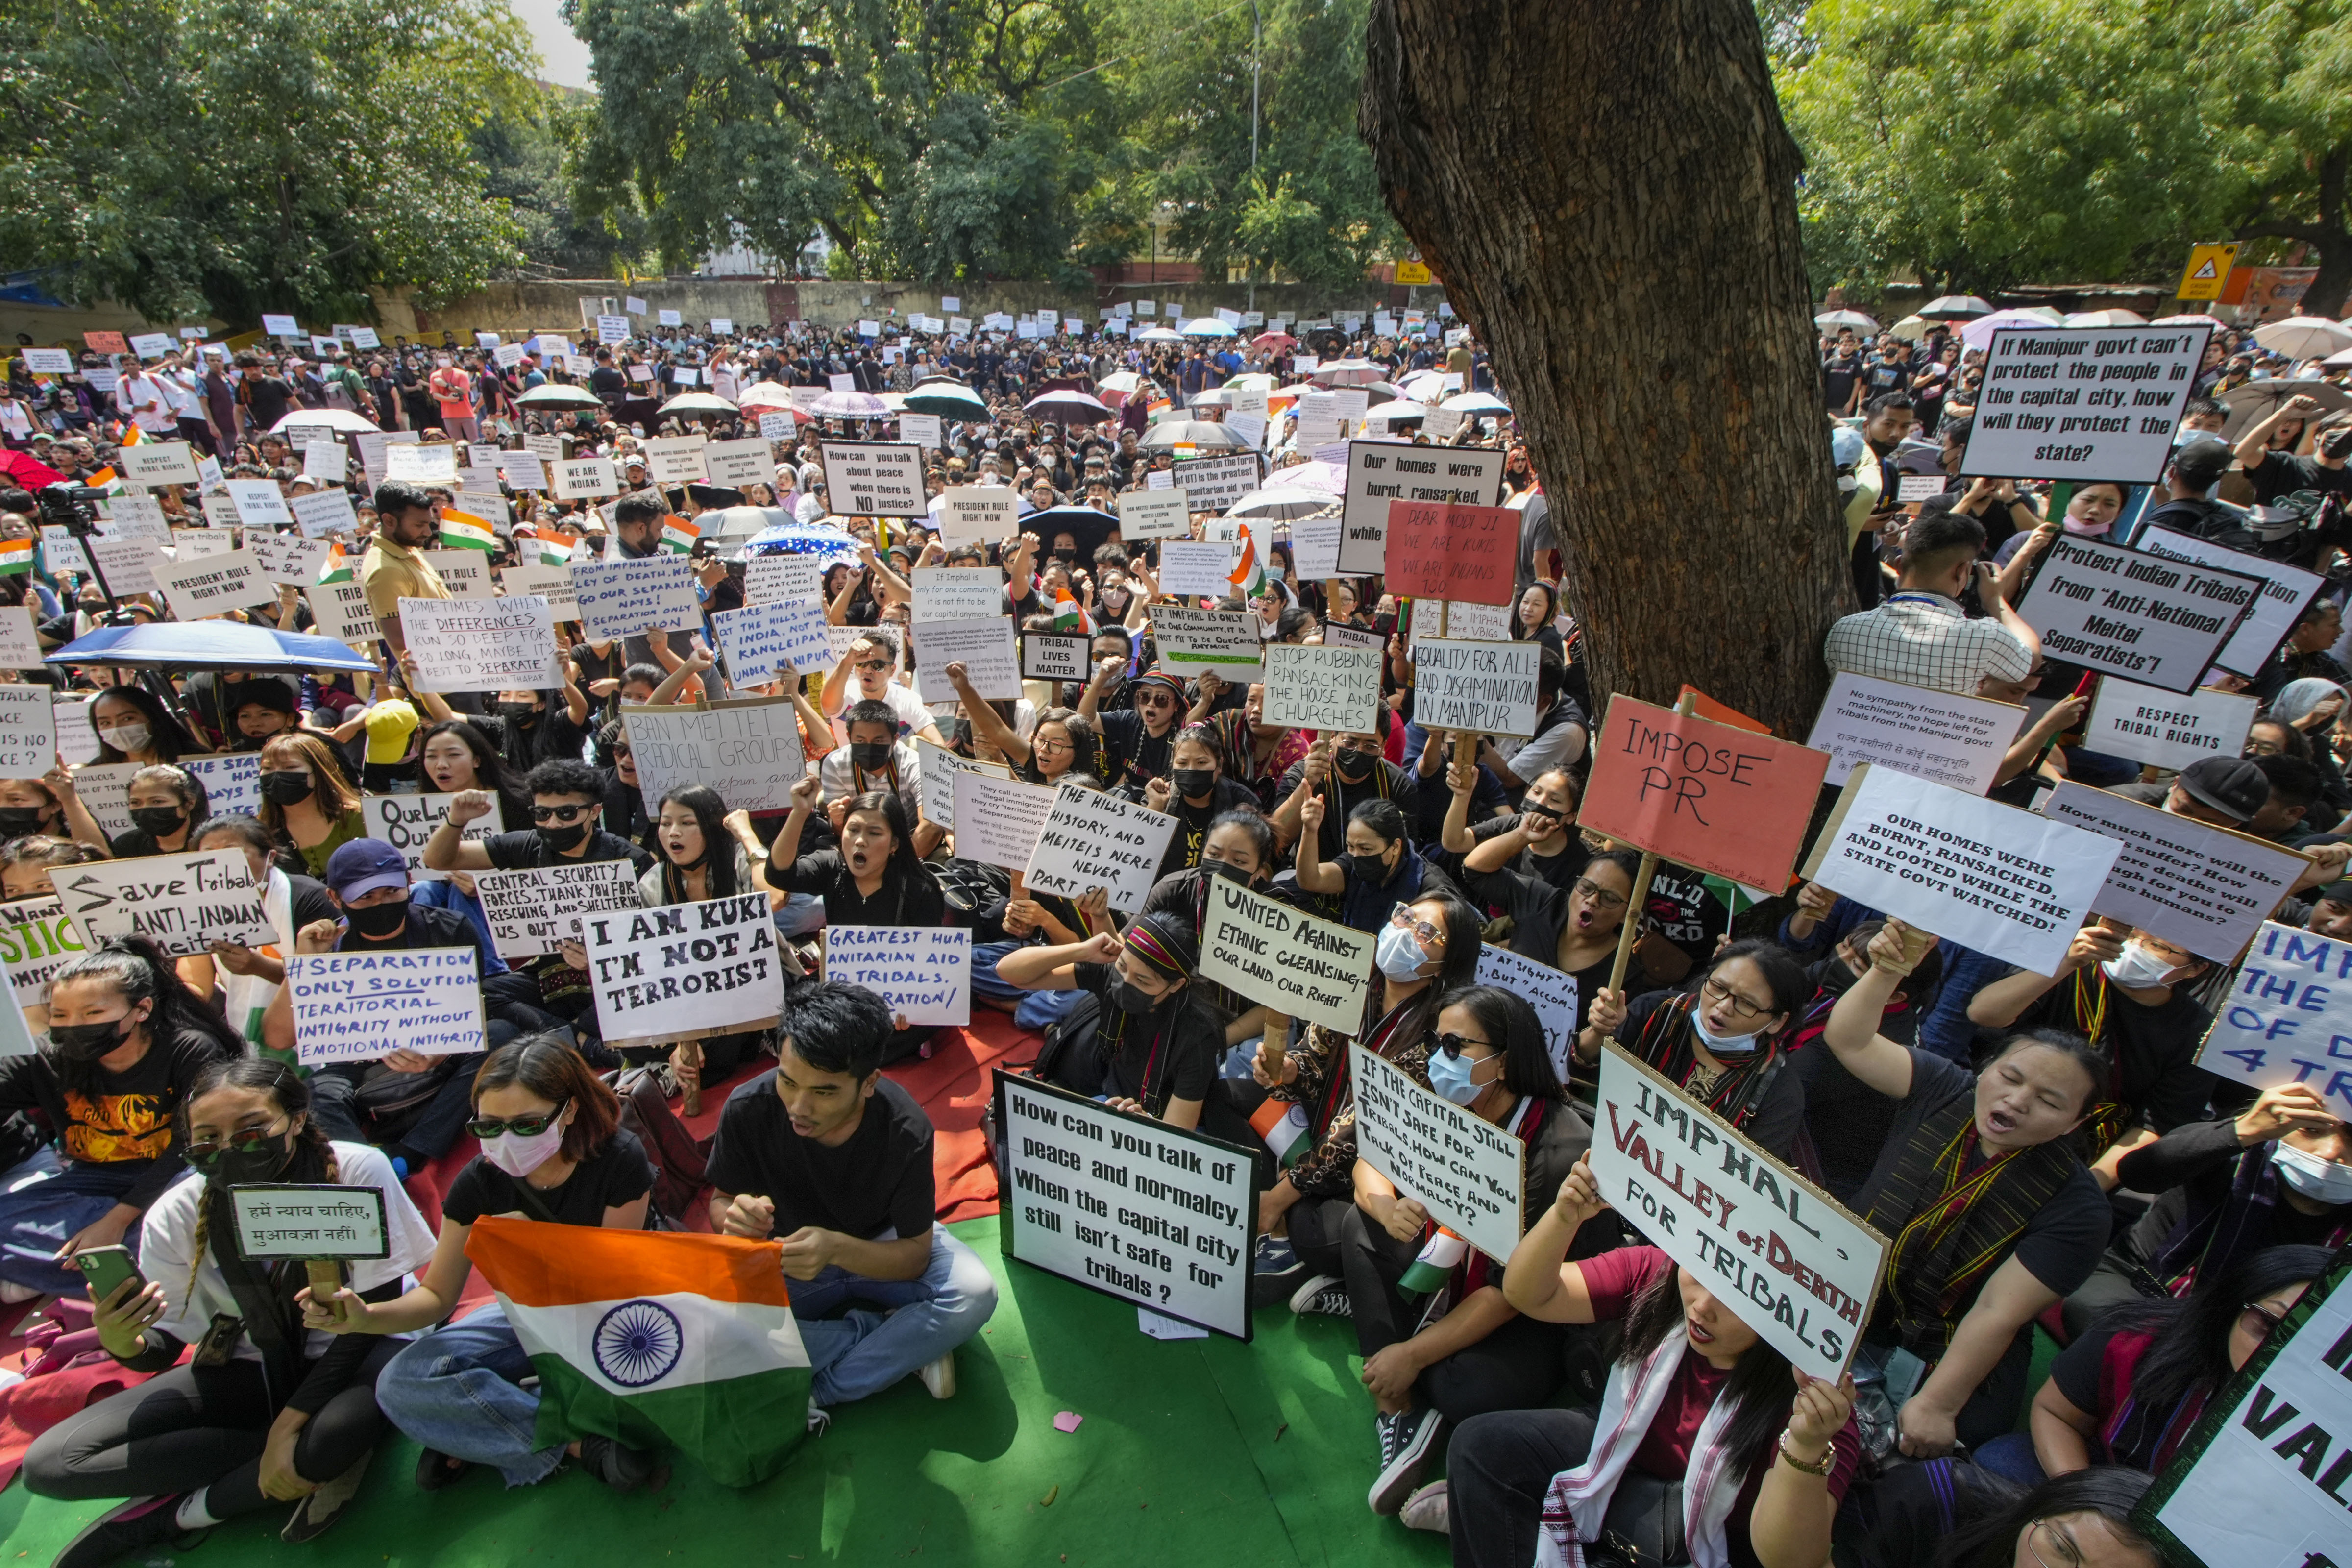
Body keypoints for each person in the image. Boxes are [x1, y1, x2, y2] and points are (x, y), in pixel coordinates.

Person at [24, 1059, 435, 1564]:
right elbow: (165, 1346)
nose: (229, 1147)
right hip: (253, 1360)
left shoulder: (354, 1170)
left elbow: (375, 1312)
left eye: (251, 1129)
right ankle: (285, 1458)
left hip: (365, 1344)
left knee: (331, 1435)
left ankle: (180, 1512)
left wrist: (290, 1425)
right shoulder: (175, 1212)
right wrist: (120, 1337)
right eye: (206, 1138)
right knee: (53, 1462)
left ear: (298, 1119)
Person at [1444, 1155, 1863, 1566]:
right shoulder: (1658, 1273)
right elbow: (1531, 1294)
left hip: (1714, 1542)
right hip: (1616, 1454)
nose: (1702, 1306)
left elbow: (1789, 1559)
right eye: (1701, 1271)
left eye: (1738, 1299)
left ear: (1787, 1315)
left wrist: (1806, 1446)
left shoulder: (1817, 1403)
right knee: (1480, 1449)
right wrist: (1564, 1217)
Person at [304, 1036, 662, 1491]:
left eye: (527, 1125)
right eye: (489, 1128)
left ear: (568, 1112)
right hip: (530, 1313)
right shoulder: (479, 1184)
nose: (506, 1141)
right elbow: (435, 1298)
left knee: (644, 1364)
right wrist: (364, 1318)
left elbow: (613, 1287)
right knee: (401, 1382)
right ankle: (569, 1442)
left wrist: (533, 1246)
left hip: (616, 1309)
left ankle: (487, 1423)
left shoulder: (618, 1158)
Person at [1310, 986, 1604, 1518]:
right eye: (1433, 1040)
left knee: (1461, 1386)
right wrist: (1385, 1208)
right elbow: (1366, 1161)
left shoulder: (1557, 1146)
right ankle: (1395, 1407)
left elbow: (1508, 1291)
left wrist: (1414, 1354)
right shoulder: (1439, 1088)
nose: (1435, 1056)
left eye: (1454, 1043)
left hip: (1534, 1302)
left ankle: (1401, 1346)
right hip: (1447, 1260)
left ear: (1505, 1060)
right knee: (1358, 1223)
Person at [1821, 921, 2112, 1455]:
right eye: (2011, 1077)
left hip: (1949, 1345)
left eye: (2049, 1101)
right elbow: (1851, 1039)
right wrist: (1887, 970)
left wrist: (1939, 1403)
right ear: (1987, 1068)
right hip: (1849, 1288)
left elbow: (1996, 1310)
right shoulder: (1943, 1086)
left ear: (2075, 1123)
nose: (2019, 1101)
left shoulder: (2078, 1206)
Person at [706, 983, 997, 1419]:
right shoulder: (747, 1107)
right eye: (787, 1081)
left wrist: (838, 1249)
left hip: (882, 1244)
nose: (799, 1106)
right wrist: (734, 1218)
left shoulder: (907, 1129)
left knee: (974, 1293)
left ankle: (821, 1390)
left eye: (824, 1092)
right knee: (711, 1331)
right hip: (785, 1258)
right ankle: (898, 1341)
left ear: (869, 1083)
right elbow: (721, 1200)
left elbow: (915, 1256)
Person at [1253, 892, 1487, 1302]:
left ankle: (1323, 1265)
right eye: (1405, 916)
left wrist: (1282, 1194)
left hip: (1372, 1170)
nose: (1406, 932)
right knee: (1233, 1096)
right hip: (1317, 1132)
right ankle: (1284, 1228)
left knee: (1312, 1226)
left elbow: (1364, 1128)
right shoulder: (1355, 984)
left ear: (1448, 963)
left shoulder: (1440, 1032)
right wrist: (1289, 1069)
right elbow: (1314, 1060)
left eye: (1427, 932)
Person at [0, 938, 243, 1301]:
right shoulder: (48, 1055)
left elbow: (193, 1145)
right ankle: (124, 1269)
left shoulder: (190, 1048)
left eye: (92, 1014)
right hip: (93, 1179)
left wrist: (115, 1221)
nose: (73, 1026)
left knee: (201, 1221)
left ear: (141, 1009)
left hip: (179, 1174)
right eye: (60, 1015)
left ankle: (63, 1267)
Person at [259, 838, 519, 1176]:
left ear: (409, 882)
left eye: (392, 892)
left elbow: (469, 1015)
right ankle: (365, 1172)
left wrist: (441, 1050)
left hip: (440, 1054)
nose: (381, 903)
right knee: (318, 1092)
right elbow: (278, 1038)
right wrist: (303, 964)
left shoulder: (449, 929)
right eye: (365, 897)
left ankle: (411, 1153)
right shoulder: (328, 945)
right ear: (335, 898)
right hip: (359, 1066)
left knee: (501, 1036)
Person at [2013, 1243, 2329, 1482]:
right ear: (2235, 1303)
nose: (2276, 1351)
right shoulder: (2137, 1339)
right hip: (2103, 1482)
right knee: (2003, 1463)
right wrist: (2085, 1507)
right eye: (2270, 1324)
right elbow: (2057, 1414)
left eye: (2310, 1344)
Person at [2058, 1081, 2349, 1337]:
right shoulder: (2230, 1146)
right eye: (2312, 1131)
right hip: (2139, 1289)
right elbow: (2138, 1172)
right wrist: (2243, 1131)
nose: (2330, 1154)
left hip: (2252, 1332)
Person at [1964, 922, 2220, 1187]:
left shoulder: (2198, 1033)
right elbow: (1984, 1014)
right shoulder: (2072, 967)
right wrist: (2066, 963)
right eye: (2129, 934)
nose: (2133, 948)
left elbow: (2152, 1126)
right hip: (1988, 1116)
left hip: (2073, 1158)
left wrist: (2086, 1189)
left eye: (2156, 946)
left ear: (2196, 969)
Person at [994, 910, 1228, 1132]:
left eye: (1143, 981)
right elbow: (1008, 971)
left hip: (1153, 1122)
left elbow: (1178, 1135)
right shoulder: (1110, 975)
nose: (1126, 981)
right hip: (1105, 1094)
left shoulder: (1197, 1037)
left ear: (1176, 985)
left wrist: (1145, 1122)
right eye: (1123, 967)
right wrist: (1081, 951)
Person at [1583, 940, 1813, 1160]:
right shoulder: (1657, 1011)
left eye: (1747, 1004)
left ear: (1777, 1022)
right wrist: (1599, 1030)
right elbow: (1580, 1068)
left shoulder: (1780, 1091)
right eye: (1718, 987)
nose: (1723, 1007)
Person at [1822, 508, 2036, 696]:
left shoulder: (1844, 629)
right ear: (1962, 571)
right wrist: (1995, 600)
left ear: (1899, 564)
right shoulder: (1984, 637)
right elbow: (2031, 660)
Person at [1295, 795, 1452, 932]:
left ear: (1396, 847)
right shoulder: (1353, 865)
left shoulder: (1429, 887)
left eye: (1366, 849)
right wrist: (1310, 830)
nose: (1357, 856)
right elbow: (1310, 880)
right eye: (1351, 846)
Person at [255, 732, 369, 878]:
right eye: (268, 768)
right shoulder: (261, 831)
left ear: (319, 772)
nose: (277, 775)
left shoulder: (356, 816)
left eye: (290, 767)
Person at [358, 481, 449, 656]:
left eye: (428, 524)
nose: (428, 533)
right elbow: (401, 639)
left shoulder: (407, 548)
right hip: (434, 674)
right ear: (389, 520)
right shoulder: (385, 570)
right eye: (419, 525)